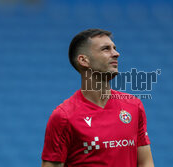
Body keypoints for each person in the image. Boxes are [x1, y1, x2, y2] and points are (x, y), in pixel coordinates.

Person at [41, 29, 154, 167]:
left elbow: (146, 163)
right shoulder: (63, 117)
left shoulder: (134, 106)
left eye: (114, 48)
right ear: (84, 60)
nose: (116, 54)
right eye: (106, 49)